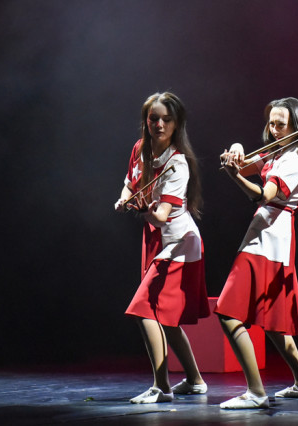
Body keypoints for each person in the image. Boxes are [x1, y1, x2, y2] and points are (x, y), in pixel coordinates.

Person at [216, 97, 298, 409]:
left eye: (281, 124)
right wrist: (237, 149)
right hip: (269, 236)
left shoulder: (297, 158)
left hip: (269, 239)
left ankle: (256, 393)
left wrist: (235, 176)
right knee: (272, 321)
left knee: (228, 313)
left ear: (297, 126)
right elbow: (244, 163)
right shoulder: (278, 151)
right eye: (271, 123)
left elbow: (262, 195)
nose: (274, 129)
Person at [114, 92, 210, 404]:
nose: (159, 124)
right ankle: (195, 381)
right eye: (153, 118)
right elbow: (130, 183)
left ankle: (161, 387)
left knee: (144, 309)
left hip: (180, 243)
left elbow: (161, 215)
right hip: (157, 239)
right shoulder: (140, 148)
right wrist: (124, 198)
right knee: (166, 319)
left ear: (176, 123)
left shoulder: (177, 163)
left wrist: (141, 208)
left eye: (166, 119)